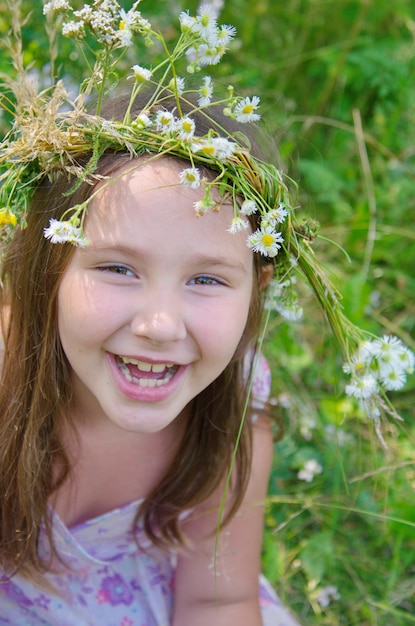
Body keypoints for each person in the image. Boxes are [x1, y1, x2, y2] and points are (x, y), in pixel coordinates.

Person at [0, 2, 413, 624]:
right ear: (47, 268)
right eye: (118, 268)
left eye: (205, 279)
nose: (159, 324)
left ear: (258, 286)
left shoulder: (236, 404)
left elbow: (216, 598)